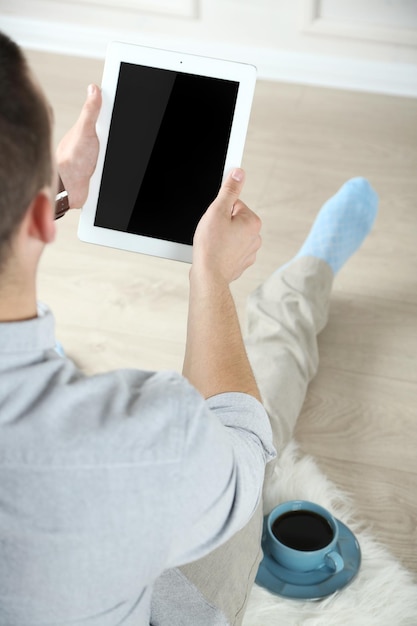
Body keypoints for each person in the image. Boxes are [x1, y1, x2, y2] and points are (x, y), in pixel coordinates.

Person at [0, 31, 378, 626]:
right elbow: (241, 444)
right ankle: (306, 278)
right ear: (41, 219)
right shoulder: (151, 437)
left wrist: (61, 191)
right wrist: (210, 277)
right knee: (251, 418)